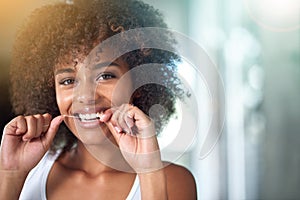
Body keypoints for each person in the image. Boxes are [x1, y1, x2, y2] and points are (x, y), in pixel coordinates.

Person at [0, 0, 197, 199]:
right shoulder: (27, 173)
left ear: (138, 82)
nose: (85, 96)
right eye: (68, 80)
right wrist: (11, 175)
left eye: (105, 76)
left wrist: (149, 171)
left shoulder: (173, 181)